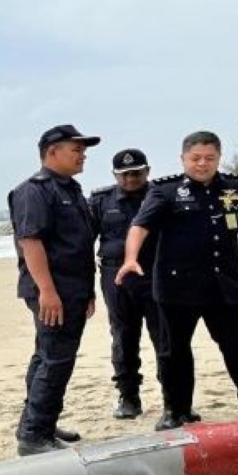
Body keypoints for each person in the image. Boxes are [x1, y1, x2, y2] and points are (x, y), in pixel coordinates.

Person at [115, 131, 238, 430]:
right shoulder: (165, 191)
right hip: (178, 287)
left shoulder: (235, 188)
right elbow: (139, 226)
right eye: (195, 158)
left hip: (227, 285)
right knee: (173, 352)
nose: (202, 164)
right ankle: (176, 411)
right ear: (183, 159)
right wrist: (131, 258)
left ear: (218, 157)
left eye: (209, 158)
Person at [8, 123, 100, 456]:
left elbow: (79, 245)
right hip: (53, 292)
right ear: (52, 152)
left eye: (83, 151)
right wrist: (47, 291)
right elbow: (31, 242)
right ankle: (34, 436)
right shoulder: (35, 190)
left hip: (72, 289)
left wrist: (88, 291)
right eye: (76, 150)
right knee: (56, 359)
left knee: (46, 356)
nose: (83, 156)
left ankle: (37, 422)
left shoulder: (71, 190)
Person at [89, 148, 162, 419]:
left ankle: (173, 396)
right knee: (123, 336)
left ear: (147, 171)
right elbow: (85, 242)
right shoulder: (100, 201)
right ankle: (129, 397)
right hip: (115, 277)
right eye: (125, 174)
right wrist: (87, 288)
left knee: (164, 336)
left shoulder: (160, 196)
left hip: (155, 275)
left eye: (136, 173)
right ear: (115, 175)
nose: (131, 178)